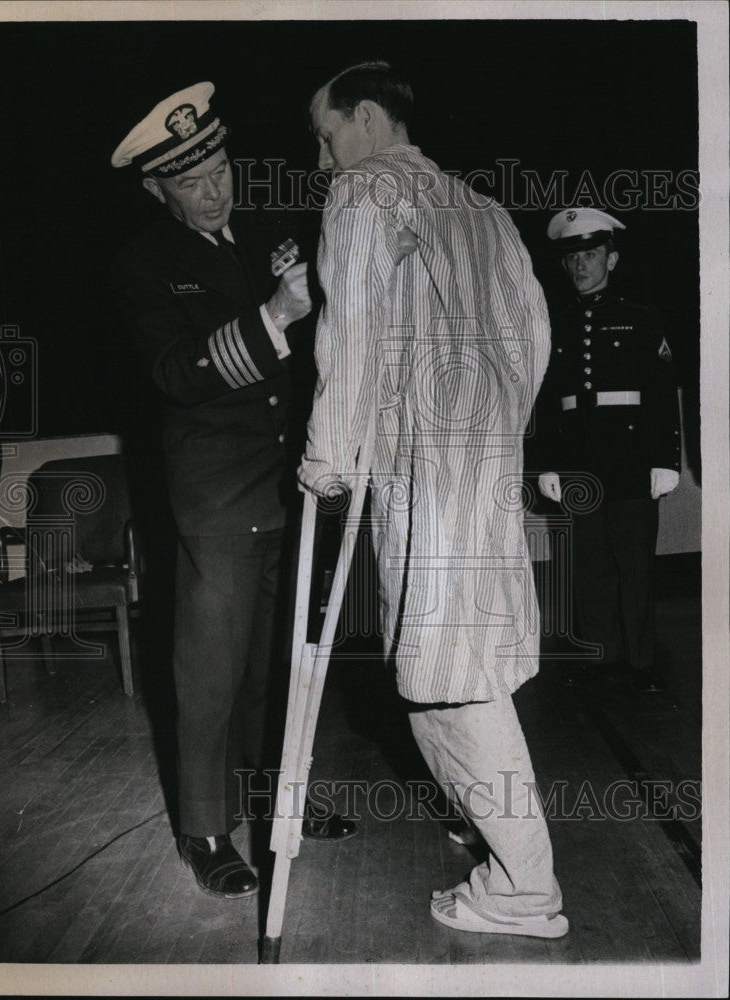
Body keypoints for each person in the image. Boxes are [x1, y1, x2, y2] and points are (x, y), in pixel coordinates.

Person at [299, 61, 568, 938]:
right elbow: (533, 331)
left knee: (445, 685)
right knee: (464, 671)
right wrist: (494, 430)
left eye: (327, 133)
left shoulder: (364, 193)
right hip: (483, 465)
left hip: (425, 467)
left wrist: (328, 453)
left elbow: (355, 330)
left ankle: (527, 889)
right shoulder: (480, 206)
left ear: (367, 119)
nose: (322, 155)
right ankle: (512, 869)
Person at [111, 81, 354, 900]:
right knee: (211, 674)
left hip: (294, 483)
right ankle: (206, 830)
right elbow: (178, 376)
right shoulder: (145, 265)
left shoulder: (268, 233)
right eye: (190, 178)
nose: (213, 187)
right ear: (157, 189)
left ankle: (280, 799)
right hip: (216, 498)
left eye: (217, 164)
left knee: (282, 664)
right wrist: (272, 317)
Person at [536, 208, 681, 692]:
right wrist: (547, 464)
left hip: (633, 460)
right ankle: (603, 659)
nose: (580, 265)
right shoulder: (555, 325)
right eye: (573, 257)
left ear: (612, 260)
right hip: (579, 463)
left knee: (635, 565)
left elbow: (661, 392)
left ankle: (641, 664)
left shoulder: (640, 319)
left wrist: (666, 459)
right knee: (589, 566)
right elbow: (548, 400)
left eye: (591, 255)